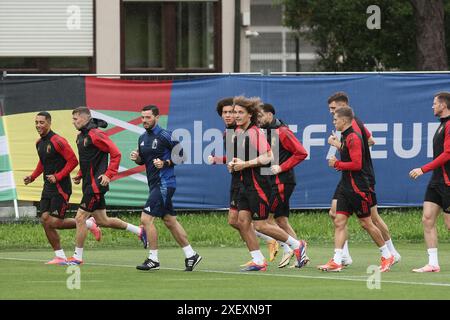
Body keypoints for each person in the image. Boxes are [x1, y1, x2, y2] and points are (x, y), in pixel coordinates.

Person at [231, 96, 308, 271]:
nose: (236, 115)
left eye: (240, 112)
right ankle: (258, 260)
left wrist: (246, 164)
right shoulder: (238, 132)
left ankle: (297, 245)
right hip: (244, 184)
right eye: (235, 112)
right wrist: (236, 162)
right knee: (242, 222)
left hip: (259, 185)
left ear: (250, 114)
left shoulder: (255, 132)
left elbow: (268, 156)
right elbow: (247, 157)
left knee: (261, 224)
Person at [326, 92, 401, 266]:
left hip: (361, 178)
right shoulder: (348, 127)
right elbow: (370, 142)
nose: (331, 113)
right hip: (349, 177)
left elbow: (364, 146)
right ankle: (341, 256)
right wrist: (344, 148)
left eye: (333, 108)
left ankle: (391, 252)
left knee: (370, 219)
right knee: (336, 214)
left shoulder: (354, 127)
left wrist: (343, 150)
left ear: (344, 106)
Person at [65, 107, 147, 265]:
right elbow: (88, 160)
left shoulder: (96, 134)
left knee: (80, 218)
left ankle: (77, 257)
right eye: (73, 119)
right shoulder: (80, 137)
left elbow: (116, 153)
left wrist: (109, 174)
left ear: (86, 118)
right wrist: (80, 175)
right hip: (88, 184)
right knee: (103, 220)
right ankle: (139, 231)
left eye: (76, 119)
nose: (73, 122)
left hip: (96, 185)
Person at [24, 111, 101, 265]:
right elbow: (43, 162)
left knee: (55, 222)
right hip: (48, 187)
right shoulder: (39, 143)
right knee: (45, 220)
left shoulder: (58, 141)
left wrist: (58, 176)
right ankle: (59, 256)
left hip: (61, 187)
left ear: (49, 123)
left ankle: (88, 223)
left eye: (42, 122)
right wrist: (32, 177)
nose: (38, 125)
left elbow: (73, 161)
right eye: (36, 122)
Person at [208, 98, 279, 265]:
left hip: (253, 180)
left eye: (233, 112)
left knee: (258, 223)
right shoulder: (231, 132)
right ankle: (261, 252)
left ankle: (285, 243)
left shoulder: (250, 131)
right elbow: (236, 158)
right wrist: (222, 161)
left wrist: (242, 164)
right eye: (225, 112)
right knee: (235, 221)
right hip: (238, 180)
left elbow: (266, 156)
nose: (229, 115)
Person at [131, 105, 202, 272]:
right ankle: (191, 254)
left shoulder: (165, 136)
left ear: (157, 117)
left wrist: (166, 163)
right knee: (170, 221)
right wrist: (138, 158)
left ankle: (153, 259)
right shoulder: (142, 138)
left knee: (146, 219)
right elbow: (144, 161)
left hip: (165, 184)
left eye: (148, 117)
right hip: (154, 184)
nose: (144, 121)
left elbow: (182, 156)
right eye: (142, 117)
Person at [257, 103, 309, 268]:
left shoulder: (282, 132)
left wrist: (281, 167)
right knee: (281, 220)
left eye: (260, 116)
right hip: (272, 181)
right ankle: (301, 254)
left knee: (265, 220)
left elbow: (301, 152)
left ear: (270, 115)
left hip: (281, 182)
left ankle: (290, 247)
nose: (257, 119)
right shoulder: (266, 132)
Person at [410, 92, 450, 273]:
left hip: (448, 182)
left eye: (435, 103)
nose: (432, 106)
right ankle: (433, 263)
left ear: (443, 105)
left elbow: (448, 154)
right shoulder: (441, 125)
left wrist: (422, 169)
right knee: (427, 219)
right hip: (436, 180)